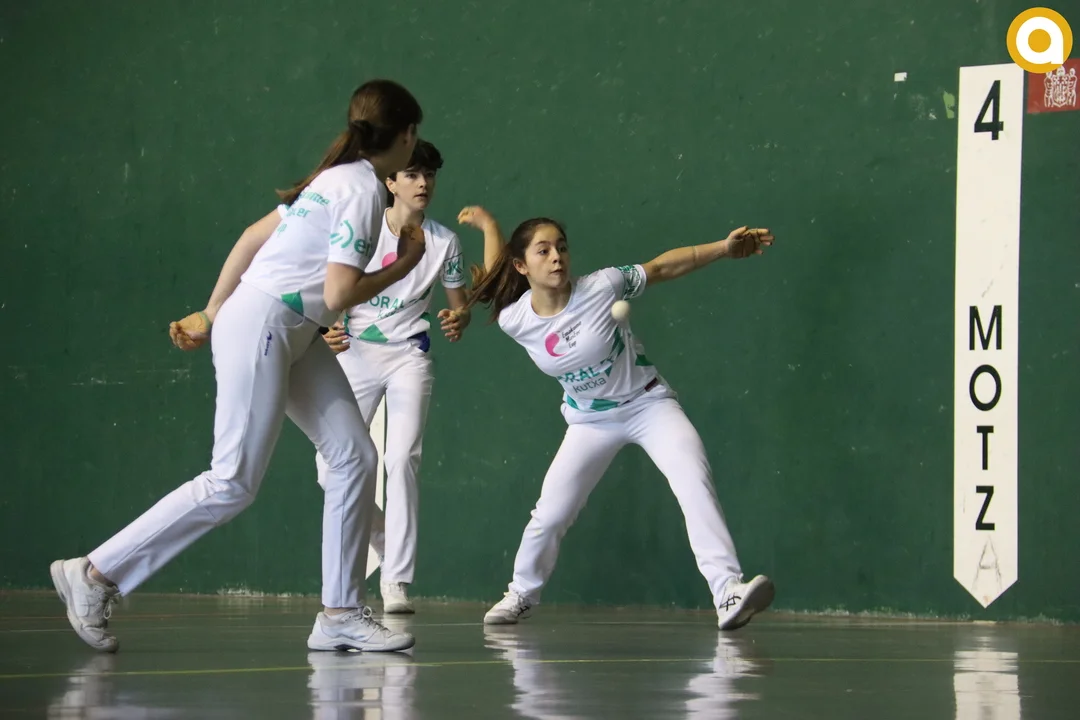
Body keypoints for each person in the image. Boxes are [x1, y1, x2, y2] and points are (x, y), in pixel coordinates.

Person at [49, 79, 426, 654]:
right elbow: (339, 292)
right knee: (231, 481)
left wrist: (211, 310)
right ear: (404, 136)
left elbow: (255, 238)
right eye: (415, 136)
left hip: (289, 328)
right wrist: (404, 264)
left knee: (354, 455)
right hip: (267, 325)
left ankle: (340, 613)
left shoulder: (333, 178)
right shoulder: (359, 190)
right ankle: (95, 573)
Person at [457, 206, 776, 630]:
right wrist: (489, 226)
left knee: (693, 483)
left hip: (649, 406)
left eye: (562, 248)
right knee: (550, 513)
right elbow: (496, 277)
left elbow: (661, 267)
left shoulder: (603, 285)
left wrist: (723, 248)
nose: (557, 257)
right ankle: (521, 594)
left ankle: (727, 591)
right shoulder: (516, 320)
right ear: (522, 265)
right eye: (543, 251)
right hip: (589, 422)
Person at [299, 140, 471, 613]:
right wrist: (328, 327)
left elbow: (459, 307)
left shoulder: (445, 243)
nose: (423, 183)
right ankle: (384, 539)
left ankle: (396, 580)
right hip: (355, 354)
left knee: (402, 457)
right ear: (390, 181)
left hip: (409, 357)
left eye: (429, 175)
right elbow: (330, 292)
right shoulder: (362, 231)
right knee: (330, 466)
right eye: (412, 174)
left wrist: (458, 319)